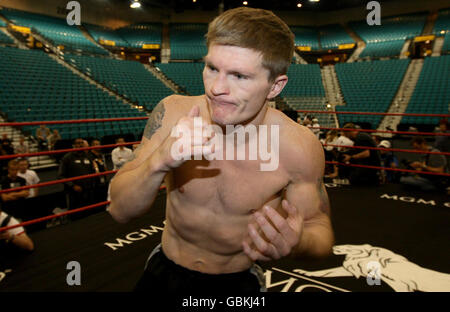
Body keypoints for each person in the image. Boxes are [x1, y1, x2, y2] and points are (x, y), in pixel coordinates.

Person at [109, 7, 334, 293]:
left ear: (275, 87)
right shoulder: (172, 113)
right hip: (164, 271)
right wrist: (158, 162)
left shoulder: (298, 148)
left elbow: (319, 229)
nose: (216, 88)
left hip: (237, 283)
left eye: (239, 76)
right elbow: (119, 209)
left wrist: (298, 241)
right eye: (212, 68)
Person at [58, 138, 96, 220]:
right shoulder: (67, 157)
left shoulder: (88, 156)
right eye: (78, 143)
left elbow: (92, 171)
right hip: (74, 192)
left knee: (88, 213)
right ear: (74, 145)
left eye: (82, 143)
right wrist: (73, 185)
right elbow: (60, 176)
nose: (80, 145)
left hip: (88, 190)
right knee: (75, 215)